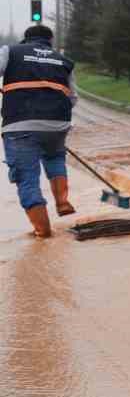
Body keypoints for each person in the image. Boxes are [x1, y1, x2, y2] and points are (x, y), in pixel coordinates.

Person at [1, 25, 77, 239]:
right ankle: (62, 202)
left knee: (27, 178)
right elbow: (73, 97)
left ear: (26, 39)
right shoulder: (64, 60)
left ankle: (43, 232)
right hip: (57, 125)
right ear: (50, 40)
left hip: (20, 124)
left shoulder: (11, 51)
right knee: (54, 158)